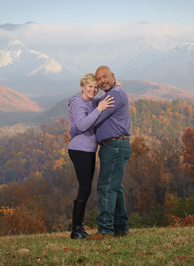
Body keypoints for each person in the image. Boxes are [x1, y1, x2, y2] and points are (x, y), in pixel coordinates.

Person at [68, 66, 131, 240]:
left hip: (114, 146)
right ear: (82, 86)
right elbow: (94, 107)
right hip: (112, 145)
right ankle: (120, 228)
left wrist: (73, 131)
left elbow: (95, 119)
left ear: (113, 76)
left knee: (106, 188)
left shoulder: (115, 94)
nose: (101, 82)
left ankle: (105, 231)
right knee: (115, 187)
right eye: (98, 80)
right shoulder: (111, 94)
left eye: (105, 78)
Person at [67, 72, 114, 239]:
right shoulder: (79, 103)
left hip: (87, 150)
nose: (93, 90)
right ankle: (76, 230)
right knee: (85, 189)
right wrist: (99, 110)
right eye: (90, 87)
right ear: (82, 87)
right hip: (81, 150)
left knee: (85, 189)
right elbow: (82, 125)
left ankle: (78, 229)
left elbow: (98, 101)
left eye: (95, 87)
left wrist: (115, 87)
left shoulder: (89, 101)